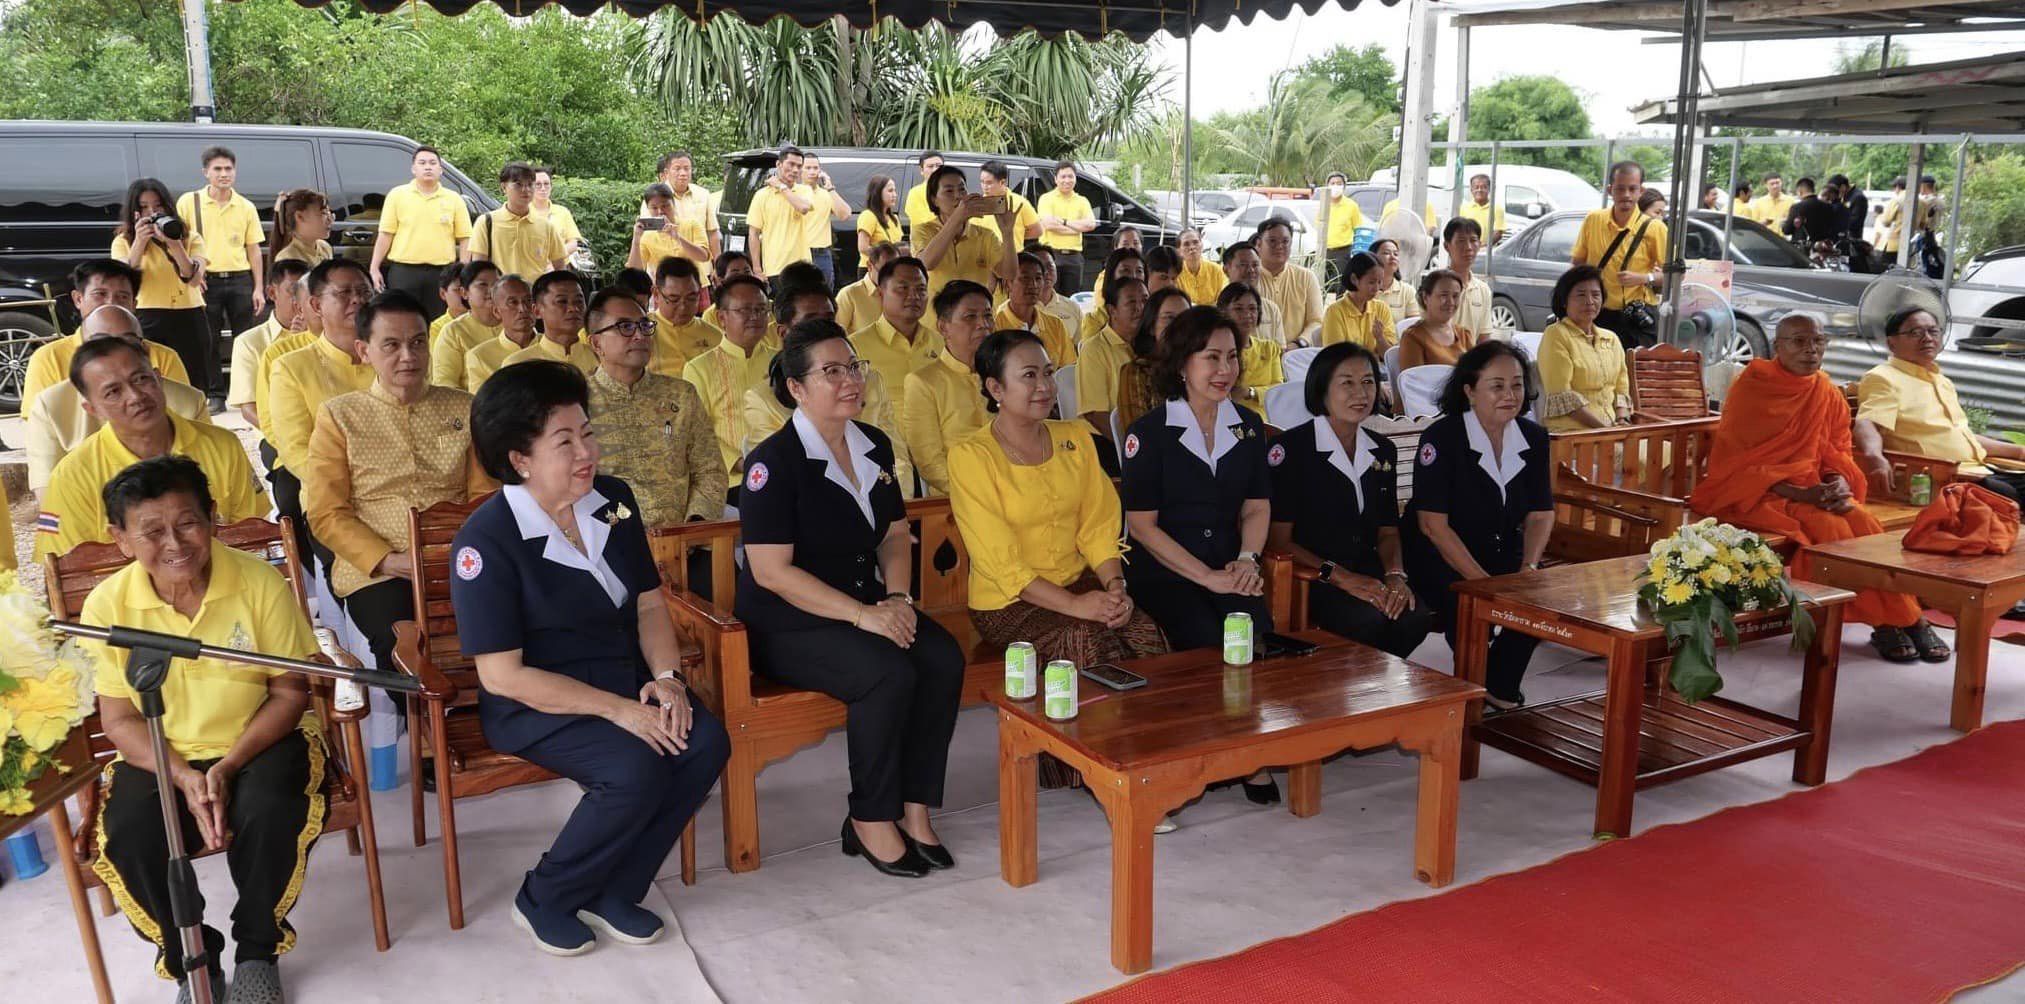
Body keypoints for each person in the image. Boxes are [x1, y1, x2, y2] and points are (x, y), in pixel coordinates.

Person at [451, 359, 728, 954]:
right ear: (520, 459)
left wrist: (667, 678)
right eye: (565, 442)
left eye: (588, 432)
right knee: (634, 767)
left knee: (704, 741)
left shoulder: (612, 500)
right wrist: (620, 711)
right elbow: (502, 675)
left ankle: (616, 889)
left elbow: (649, 603)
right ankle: (544, 896)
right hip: (537, 702)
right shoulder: (485, 542)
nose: (587, 452)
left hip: (626, 681)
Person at [83, 457, 323, 1003]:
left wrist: (229, 766)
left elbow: (289, 693)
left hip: (258, 738)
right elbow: (119, 720)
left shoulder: (258, 582)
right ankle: (192, 957)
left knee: (269, 805)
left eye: (188, 523)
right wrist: (185, 776)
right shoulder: (107, 606)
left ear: (212, 517)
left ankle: (258, 950)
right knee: (129, 831)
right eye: (152, 531)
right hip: (160, 752)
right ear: (120, 539)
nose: (175, 544)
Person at [737, 320, 967, 878]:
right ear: (797, 388)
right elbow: (771, 572)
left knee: (941, 657)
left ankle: (913, 807)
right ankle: (869, 815)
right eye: (832, 371)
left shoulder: (874, 445)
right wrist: (865, 616)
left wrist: (899, 599)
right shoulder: (773, 463)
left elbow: (894, 535)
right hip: (790, 622)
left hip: (867, 603)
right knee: (886, 672)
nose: (850, 381)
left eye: (854, 367)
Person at [949, 329, 1168, 788]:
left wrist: (1114, 587)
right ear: (995, 387)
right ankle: (1087, 768)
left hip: (1080, 584)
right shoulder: (971, 455)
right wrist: (1076, 606)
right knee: (1083, 639)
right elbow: (1000, 562)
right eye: (1029, 376)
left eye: (1048, 373)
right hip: (1008, 603)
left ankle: (1145, 756)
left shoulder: (1074, 437)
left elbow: (1098, 525)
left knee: (1143, 630)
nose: (1045, 386)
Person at [1689, 314, 1945, 664]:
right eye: (1799, 341)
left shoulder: (1824, 389)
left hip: (1812, 490)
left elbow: (1836, 449)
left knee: (1865, 525)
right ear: (1777, 347)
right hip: (1753, 494)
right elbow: (1735, 463)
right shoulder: (1753, 387)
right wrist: (1800, 494)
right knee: (1832, 531)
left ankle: (1897, 618)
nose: (1810, 349)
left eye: (1818, 341)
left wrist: (1837, 480)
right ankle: (1901, 620)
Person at [306, 290, 493, 676]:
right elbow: (326, 513)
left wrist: (456, 554)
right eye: (391, 345)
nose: (408, 356)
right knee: (401, 648)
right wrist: (389, 560)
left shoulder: (465, 406)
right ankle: (425, 713)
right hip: (378, 570)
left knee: (503, 627)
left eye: (418, 343)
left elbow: (484, 496)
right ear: (364, 351)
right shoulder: (340, 417)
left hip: (458, 558)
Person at [1403, 341, 1552, 708]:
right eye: (1497, 386)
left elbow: (1540, 513)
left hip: (1501, 549)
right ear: (1470, 391)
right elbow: (1432, 526)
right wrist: (1483, 583)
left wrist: (1529, 568)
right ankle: (1480, 695)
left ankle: (1494, 687)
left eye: (1517, 384)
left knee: (1540, 598)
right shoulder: (1442, 438)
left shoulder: (1533, 437)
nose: (1510, 395)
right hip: (1439, 554)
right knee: (1467, 605)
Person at [1119, 304, 1274, 649]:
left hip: (1228, 565)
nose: (1225, 370)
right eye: (1212, 357)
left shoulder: (1248, 426)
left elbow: (1256, 506)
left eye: (1232, 357)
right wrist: (1206, 577)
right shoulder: (1148, 433)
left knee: (1254, 639)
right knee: (1205, 640)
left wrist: (1247, 560)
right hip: (1164, 571)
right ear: (1181, 364)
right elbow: (1142, 527)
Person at [34, 336, 268, 561]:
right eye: (113, 392)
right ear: (92, 409)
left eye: (141, 379)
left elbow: (252, 536)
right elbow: (67, 569)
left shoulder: (222, 446)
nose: (135, 396)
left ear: (158, 378)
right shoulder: (71, 477)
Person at [1269, 342, 1432, 657]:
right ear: (1321, 389)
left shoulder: (1383, 450)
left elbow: (1388, 530)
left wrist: (1395, 576)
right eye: (1347, 383)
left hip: (1368, 572)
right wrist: (1342, 578)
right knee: (1367, 621)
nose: (1361, 393)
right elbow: (1278, 540)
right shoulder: (1291, 450)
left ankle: (1373, 683)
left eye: (1368, 381)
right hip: (1314, 577)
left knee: (1414, 617)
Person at [577, 284, 726, 527]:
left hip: (682, 537)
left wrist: (695, 525)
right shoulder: (577, 403)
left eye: (644, 325)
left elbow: (710, 470)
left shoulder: (681, 395)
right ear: (596, 343)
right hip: (607, 540)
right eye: (625, 327)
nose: (640, 335)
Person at [26, 306, 213, 493]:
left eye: (128, 343)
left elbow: (212, 482)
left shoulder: (189, 402)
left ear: (145, 349)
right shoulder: (50, 407)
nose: (116, 354)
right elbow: (47, 492)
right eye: (100, 345)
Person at [267, 258, 377, 569]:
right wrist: (356, 486)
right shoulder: (292, 367)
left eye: (364, 292)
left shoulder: (392, 357)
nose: (356, 300)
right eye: (344, 293)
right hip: (334, 503)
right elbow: (296, 450)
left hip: (402, 496)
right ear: (316, 305)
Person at [1855, 306, 2025, 505]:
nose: (1927, 338)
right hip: (1936, 480)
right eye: (1915, 332)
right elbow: (1867, 422)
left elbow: (1963, 436)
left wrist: (2019, 451)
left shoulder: (1941, 381)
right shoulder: (1884, 378)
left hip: (1976, 471)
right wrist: (1874, 456)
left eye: (1933, 331)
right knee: (2006, 494)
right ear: (1891, 343)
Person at [20, 259, 189, 417]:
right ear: (78, 299)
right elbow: (41, 422)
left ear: (134, 305)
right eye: (100, 294)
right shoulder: (48, 358)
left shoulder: (164, 357)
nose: (111, 303)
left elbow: (183, 416)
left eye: (122, 297)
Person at [113, 178, 214, 400]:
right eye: (144, 207)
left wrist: (175, 244)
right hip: (148, 314)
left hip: (189, 314)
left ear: (168, 207)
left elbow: (194, 278)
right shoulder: (123, 241)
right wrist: (139, 242)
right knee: (151, 379)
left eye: (158, 206)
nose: (152, 212)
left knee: (195, 381)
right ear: (134, 212)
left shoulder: (190, 237)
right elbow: (123, 278)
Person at [683, 274, 780, 481]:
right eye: (744, 310)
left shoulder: (781, 362)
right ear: (721, 318)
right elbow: (696, 431)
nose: (755, 316)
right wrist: (739, 462)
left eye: (761, 309)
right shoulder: (699, 369)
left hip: (783, 473)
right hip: (730, 481)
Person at [903, 280, 994, 495]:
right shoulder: (923, 383)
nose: (983, 324)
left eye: (988, 315)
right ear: (943, 327)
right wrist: (977, 494)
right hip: (958, 497)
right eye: (970, 317)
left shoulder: (1004, 374)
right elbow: (929, 463)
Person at [177, 147, 264, 368]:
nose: (224, 174)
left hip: (240, 280)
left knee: (245, 340)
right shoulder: (189, 202)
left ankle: (243, 385)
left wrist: (258, 288)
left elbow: (253, 249)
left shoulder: (246, 206)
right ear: (206, 172)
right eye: (217, 169)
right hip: (206, 281)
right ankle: (214, 388)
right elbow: (178, 244)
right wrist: (193, 275)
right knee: (209, 341)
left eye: (228, 168)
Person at [369, 146, 472, 320]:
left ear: (441, 169)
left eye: (432, 163)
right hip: (404, 272)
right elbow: (386, 234)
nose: (428, 167)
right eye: (422, 163)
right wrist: (374, 267)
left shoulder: (453, 199)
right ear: (413, 168)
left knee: (439, 321)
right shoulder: (397, 195)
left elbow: (465, 238)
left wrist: (462, 271)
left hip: (441, 273)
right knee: (402, 319)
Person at [1571, 161, 1666, 348]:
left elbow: (1676, 276)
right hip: (1598, 315)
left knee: (1634, 367)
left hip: (1636, 318)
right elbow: (1577, 263)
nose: (1626, 195)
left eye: (1632, 189)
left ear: (1641, 191)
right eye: (1620, 189)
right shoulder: (1593, 220)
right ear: (1610, 190)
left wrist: (1643, 278)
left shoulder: (1655, 228)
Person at [849, 256, 945, 424]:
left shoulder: (941, 344)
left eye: (921, 289)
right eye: (903, 288)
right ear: (881, 293)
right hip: (882, 439)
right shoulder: (855, 348)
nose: (914, 296)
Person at [1536, 265, 1630, 432]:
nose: (1590, 301)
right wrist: (1605, 430)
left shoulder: (1611, 339)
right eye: (1581, 295)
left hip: (1611, 431)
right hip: (1572, 433)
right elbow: (1562, 396)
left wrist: (1622, 420)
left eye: (1596, 295)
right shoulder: (1556, 335)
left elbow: (1621, 388)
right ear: (1564, 301)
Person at [912, 164, 1019, 299]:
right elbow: (926, 263)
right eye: (949, 191)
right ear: (934, 200)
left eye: (962, 189)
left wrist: (1007, 233)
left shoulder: (985, 235)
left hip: (975, 311)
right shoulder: (922, 230)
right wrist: (957, 217)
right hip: (935, 312)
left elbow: (1009, 273)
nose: (958, 196)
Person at [227, 259, 313, 427]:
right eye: (294, 291)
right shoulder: (249, 342)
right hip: (274, 433)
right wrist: (283, 436)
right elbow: (249, 409)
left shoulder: (325, 335)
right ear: (272, 293)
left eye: (308, 292)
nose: (302, 300)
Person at [1074, 275, 1147, 439]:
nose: (1140, 308)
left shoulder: (1151, 345)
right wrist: (1131, 445)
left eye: (1145, 300)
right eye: (1131, 302)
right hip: (1105, 439)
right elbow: (1096, 415)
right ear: (1112, 310)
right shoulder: (1094, 350)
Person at [472, 161, 569, 280]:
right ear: (503, 187)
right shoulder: (486, 222)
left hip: (534, 290)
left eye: (530, 184)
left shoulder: (546, 226)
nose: (525, 189)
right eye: (518, 184)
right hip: (499, 290)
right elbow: (478, 268)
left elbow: (560, 267)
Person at [1116, 287, 1193, 432]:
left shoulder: (1200, 367)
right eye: (1169, 318)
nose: (1179, 326)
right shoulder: (1137, 372)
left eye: (1186, 319)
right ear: (1152, 326)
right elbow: (1139, 433)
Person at [429, 261, 503, 390]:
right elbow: (445, 384)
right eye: (483, 285)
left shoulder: (514, 324)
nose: (492, 290)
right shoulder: (453, 332)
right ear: (464, 293)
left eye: (497, 285)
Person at [644, 149, 721, 274]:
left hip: (700, 270)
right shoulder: (654, 198)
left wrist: (719, 267)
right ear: (666, 172)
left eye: (687, 168)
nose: (683, 173)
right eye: (677, 169)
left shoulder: (703, 194)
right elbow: (647, 233)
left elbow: (713, 233)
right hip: (665, 272)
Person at [503, 271, 594, 374]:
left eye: (579, 301)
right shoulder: (518, 365)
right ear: (537, 311)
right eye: (562, 301)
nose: (573, 308)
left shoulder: (600, 357)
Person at [995, 251, 1076, 366]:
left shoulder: (1056, 325)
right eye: (1025, 278)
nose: (1033, 285)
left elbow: (1068, 368)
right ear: (1008, 283)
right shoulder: (996, 326)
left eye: (1038, 278)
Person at [644, 257, 721, 378]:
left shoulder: (716, 337)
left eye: (691, 298)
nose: (683, 307)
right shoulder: (640, 332)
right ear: (656, 294)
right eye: (674, 299)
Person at [746, 146, 814, 281]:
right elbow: (753, 233)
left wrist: (781, 187)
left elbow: (803, 208)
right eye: (791, 164)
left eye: (799, 166)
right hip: (775, 268)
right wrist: (757, 269)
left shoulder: (804, 191)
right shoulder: (762, 195)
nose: (795, 170)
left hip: (802, 266)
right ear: (779, 164)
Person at [1253, 218, 1324, 344]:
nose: (1279, 246)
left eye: (1285, 241)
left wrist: (1300, 343)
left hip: (1297, 350)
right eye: (1272, 241)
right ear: (1258, 244)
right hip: (1258, 353)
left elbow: (1316, 321)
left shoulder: (1306, 277)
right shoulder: (1249, 278)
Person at [463, 273, 538, 388]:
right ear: (497, 312)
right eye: (513, 302)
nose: (523, 308)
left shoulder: (553, 346)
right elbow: (481, 400)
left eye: (528, 301)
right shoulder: (480, 357)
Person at [1037, 161, 1097, 294]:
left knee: (1071, 297)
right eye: (1063, 176)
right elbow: (1048, 224)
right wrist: (1077, 228)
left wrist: (1064, 222)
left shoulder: (1082, 201)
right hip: (1051, 255)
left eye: (1070, 176)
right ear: (1056, 179)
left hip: (1074, 258)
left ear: (1075, 178)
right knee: (1048, 295)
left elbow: (1090, 224)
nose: (1067, 180)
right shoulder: (1046, 199)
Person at [1398, 270, 1477, 369]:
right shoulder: (1413, 338)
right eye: (1444, 295)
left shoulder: (1464, 335)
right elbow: (1413, 378)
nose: (1451, 302)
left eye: (1455, 296)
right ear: (1425, 297)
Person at [1223, 283, 1282, 416]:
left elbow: (1278, 390)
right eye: (1238, 309)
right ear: (1224, 312)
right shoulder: (1219, 352)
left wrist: (1251, 392)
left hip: (1266, 420)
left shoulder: (1270, 348)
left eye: (1252, 308)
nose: (1247, 315)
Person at [1320, 251, 1395, 351]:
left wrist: (1380, 338)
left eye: (1380, 282)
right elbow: (1335, 356)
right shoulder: (1335, 312)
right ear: (1354, 279)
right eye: (1371, 282)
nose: (1377, 288)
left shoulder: (1382, 309)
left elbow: (1390, 356)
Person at [798, 153, 852, 287]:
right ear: (800, 170)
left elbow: (845, 214)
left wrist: (830, 187)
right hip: (800, 252)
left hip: (822, 254)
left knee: (825, 292)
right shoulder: (794, 193)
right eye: (808, 168)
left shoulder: (826, 194)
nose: (812, 172)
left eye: (815, 168)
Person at [1220, 241, 1289, 347]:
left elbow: (1280, 350)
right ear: (1225, 270)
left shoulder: (1271, 309)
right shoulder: (1216, 311)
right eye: (1243, 265)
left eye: (1255, 265)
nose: (1251, 270)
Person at [1442, 217, 1496, 339]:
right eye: (1461, 241)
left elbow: (1484, 337)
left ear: (1480, 244)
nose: (1468, 247)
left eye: (1473, 240)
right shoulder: (1435, 286)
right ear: (1446, 246)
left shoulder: (1483, 290)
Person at [1081, 247, 1146, 342]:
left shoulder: (1152, 314)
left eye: (1139, 271)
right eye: (1125, 270)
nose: (1133, 276)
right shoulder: (1094, 321)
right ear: (1112, 275)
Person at [1318, 172, 1368, 294]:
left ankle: (1340, 305)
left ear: (1344, 186)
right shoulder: (1324, 204)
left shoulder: (1351, 206)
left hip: (1343, 252)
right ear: (1327, 185)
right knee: (1321, 285)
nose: (1335, 186)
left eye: (1339, 183)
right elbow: (1319, 225)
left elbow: (1358, 229)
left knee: (1341, 285)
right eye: (1333, 183)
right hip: (1324, 251)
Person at [975, 160, 1041, 249]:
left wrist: (1015, 236)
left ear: (1002, 182)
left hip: (1014, 254)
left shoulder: (1019, 203)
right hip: (986, 256)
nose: (984, 187)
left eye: (989, 183)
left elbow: (1037, 230)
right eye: (982, 182)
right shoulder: (978, 205)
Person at [838, 241, 898, 334]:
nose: (890, 277)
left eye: (895, 271)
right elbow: (835, 335)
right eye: (885, 271)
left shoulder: (900, 294)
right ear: (869, 266)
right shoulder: (849, 295)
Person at [270, 188, 334, 267]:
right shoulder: (287, 258)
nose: (330, 219)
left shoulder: (325, 248)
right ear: (299, 216)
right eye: (323, 213)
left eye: (329, 213)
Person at [530, 167, 583, 260]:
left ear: (551, 186)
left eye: (546, 184)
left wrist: (553, 258)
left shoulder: (562, 212)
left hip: (560, 265)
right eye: (538, 184)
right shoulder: (522, 213)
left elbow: (573, 243)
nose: (543, 188)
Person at [857, 176, 905, 265]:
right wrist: (885, 258)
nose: (894, 195)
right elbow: (863, 248)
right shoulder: (868, 215)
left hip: (892, 267)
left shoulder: (894, 218)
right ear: (878, 193)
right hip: (872, 268)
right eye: (890, 191)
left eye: (895, 190)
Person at [1371, 237, 1421, 321]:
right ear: (1373, 257)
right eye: (1386, 253)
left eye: (1396, 254)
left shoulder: (1407, 291)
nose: (1393, 257)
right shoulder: (1363, 289)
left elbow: (1413, 324)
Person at [1173, 228, 1227, 306]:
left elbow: (1224, 299)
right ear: (1179, 251)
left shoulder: (1217, 270)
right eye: (1186, 244)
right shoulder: (1176, 273)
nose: (1192, 247)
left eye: (1195, 242)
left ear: (1202, 245)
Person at [1036, 251, 1085, 336]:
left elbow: (1080, 342)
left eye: (1050, 266)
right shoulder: (1019, 308)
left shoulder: (1072, 307)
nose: (1046, 272)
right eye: (1040, 267)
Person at [1460, 173, 1508, 246]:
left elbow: (1498, 232)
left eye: (1483, 187)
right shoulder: (1464, 208)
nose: (1479, 190)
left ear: (1489, 189)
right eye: (1476, 187)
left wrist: (1485, 246)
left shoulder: (1497, 208)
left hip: (1488, 250)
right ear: (1471, 190)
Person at [427, 265, 468, 350]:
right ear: (442, 293)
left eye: (468, 289)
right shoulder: (435, 329)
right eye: (458, 290)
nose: (465, 295)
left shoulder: (487, 321)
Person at [903, 150, 943, 226]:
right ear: (922, 170)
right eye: (930, 166)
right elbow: (924, 224)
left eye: (938, 166)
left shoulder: (954, 192)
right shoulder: (915, 193)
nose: (935, 170)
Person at [1832, 174, 1867, 242]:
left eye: (1835, 190)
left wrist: (1836, 223)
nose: (1835, 193)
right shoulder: (1844, 196)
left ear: (1843, 187)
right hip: (1840, 238)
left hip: (1851, 240)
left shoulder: (1858, 197)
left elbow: (1856, 222)